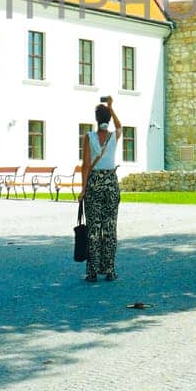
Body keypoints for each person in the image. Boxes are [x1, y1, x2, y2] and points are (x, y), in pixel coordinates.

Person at [79, 96, 123, 282]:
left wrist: (83, 189)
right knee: (110, 227)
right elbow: (120, 126)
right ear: (109, 119)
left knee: (94, 228)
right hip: (111, 183)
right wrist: (112, 107)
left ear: (96, 119)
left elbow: (86, 165)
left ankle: (92, 271)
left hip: (95, 182)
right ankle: (110, 269)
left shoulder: (89, 137)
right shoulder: (114, 136)